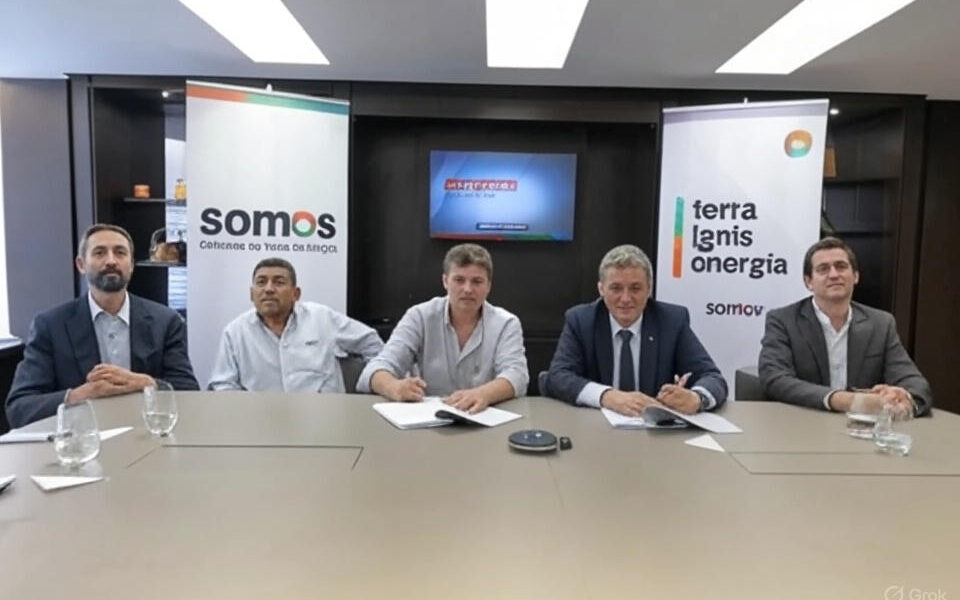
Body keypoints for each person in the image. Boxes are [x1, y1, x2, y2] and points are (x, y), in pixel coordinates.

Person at [5, 224, 199, 428]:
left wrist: (146, 384)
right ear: (81, 264)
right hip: (81, 440)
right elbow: (19, 408)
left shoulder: (166, 321)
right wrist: (80, 395)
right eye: (99, 253)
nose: (111, 261)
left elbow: (189, 393)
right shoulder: (50, 326)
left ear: (131, 264)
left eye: (120, 253)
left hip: (148, 435)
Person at [545, 244, 726, 416]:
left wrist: (696, 398)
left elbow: (712, 377)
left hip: (655, 429)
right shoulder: (581, 320)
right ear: (601, 289)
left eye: (635, 288)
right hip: (596, 426)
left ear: (649, 289)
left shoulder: (671, 321)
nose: (625, 298)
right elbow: (558, 376)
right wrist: (607, 396)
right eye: (616, 288)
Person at [759, 237, 932, 417]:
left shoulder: (881, 324)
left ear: (855, 276)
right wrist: (846, 401)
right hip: (803, 423)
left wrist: (902, 397)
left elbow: (914, 382)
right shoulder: (783, 321)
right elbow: (775, 379)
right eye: (823, 269)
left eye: (841, 266)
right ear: (808, 282)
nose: (834, 275)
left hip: (863, 427)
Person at [357, 243, 528, 413]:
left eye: (477, 281)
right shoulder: (419, 316)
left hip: (484, 415)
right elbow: (375, 369)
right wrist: (393, 387)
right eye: (459, 280)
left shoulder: (506, 323)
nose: (468, 289)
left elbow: (517, 376)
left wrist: (483, 394)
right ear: (445, 281)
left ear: (488, 286)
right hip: (428, 418)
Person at [208, 258, 383, 392]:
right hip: (260, 421)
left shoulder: (322, 318)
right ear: (251, 294)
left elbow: (372, 344)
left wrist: (374, 382)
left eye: (279, 282)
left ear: (296, 294)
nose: (268, 289)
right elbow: (223, 384)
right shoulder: (235, 332)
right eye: (261, 282)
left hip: (323, 419)